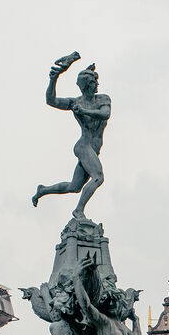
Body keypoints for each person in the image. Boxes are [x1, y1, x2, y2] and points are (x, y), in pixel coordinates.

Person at [33, 53, 111, 218]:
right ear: (87, 85)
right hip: (84, 146)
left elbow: (105, 114)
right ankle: (78, 210)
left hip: (93, 149)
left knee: (74, 187)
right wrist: (53, 79)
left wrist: (84, 111)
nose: (97, 84)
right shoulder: (75, 102)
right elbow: (51, 100)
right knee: (98, 177)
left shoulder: (103, 99)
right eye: (93, 82)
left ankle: (43, 190)